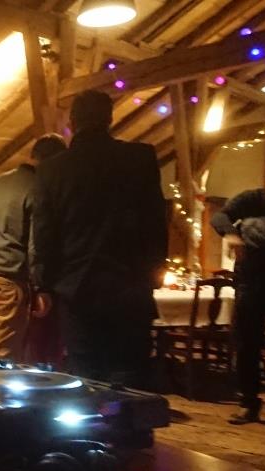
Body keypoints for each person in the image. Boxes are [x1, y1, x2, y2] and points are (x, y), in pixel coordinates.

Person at [32, 90, 167, 390]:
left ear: (72, 121)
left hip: (77, 287)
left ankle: (92, 418)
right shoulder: (140, 157)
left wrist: (44, 284)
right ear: (110, 119)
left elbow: (44, 233)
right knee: (129, 369)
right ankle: (127, 418)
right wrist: (154, 273)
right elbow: (156, 220)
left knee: (85, 370)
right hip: (130, 283)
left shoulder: (52, 169)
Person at [0, 134, 67, 360]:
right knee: (4, 358)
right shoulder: (38, 189)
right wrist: (41, 287)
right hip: (5, 281)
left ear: (33, 155)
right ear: (57, 162)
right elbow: (36, 244)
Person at [210, 151, 265, 425]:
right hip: (250, 281)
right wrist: (232, 236)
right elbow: (220, 217)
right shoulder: (251, 199)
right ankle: (248, 403)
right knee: (248, 342)